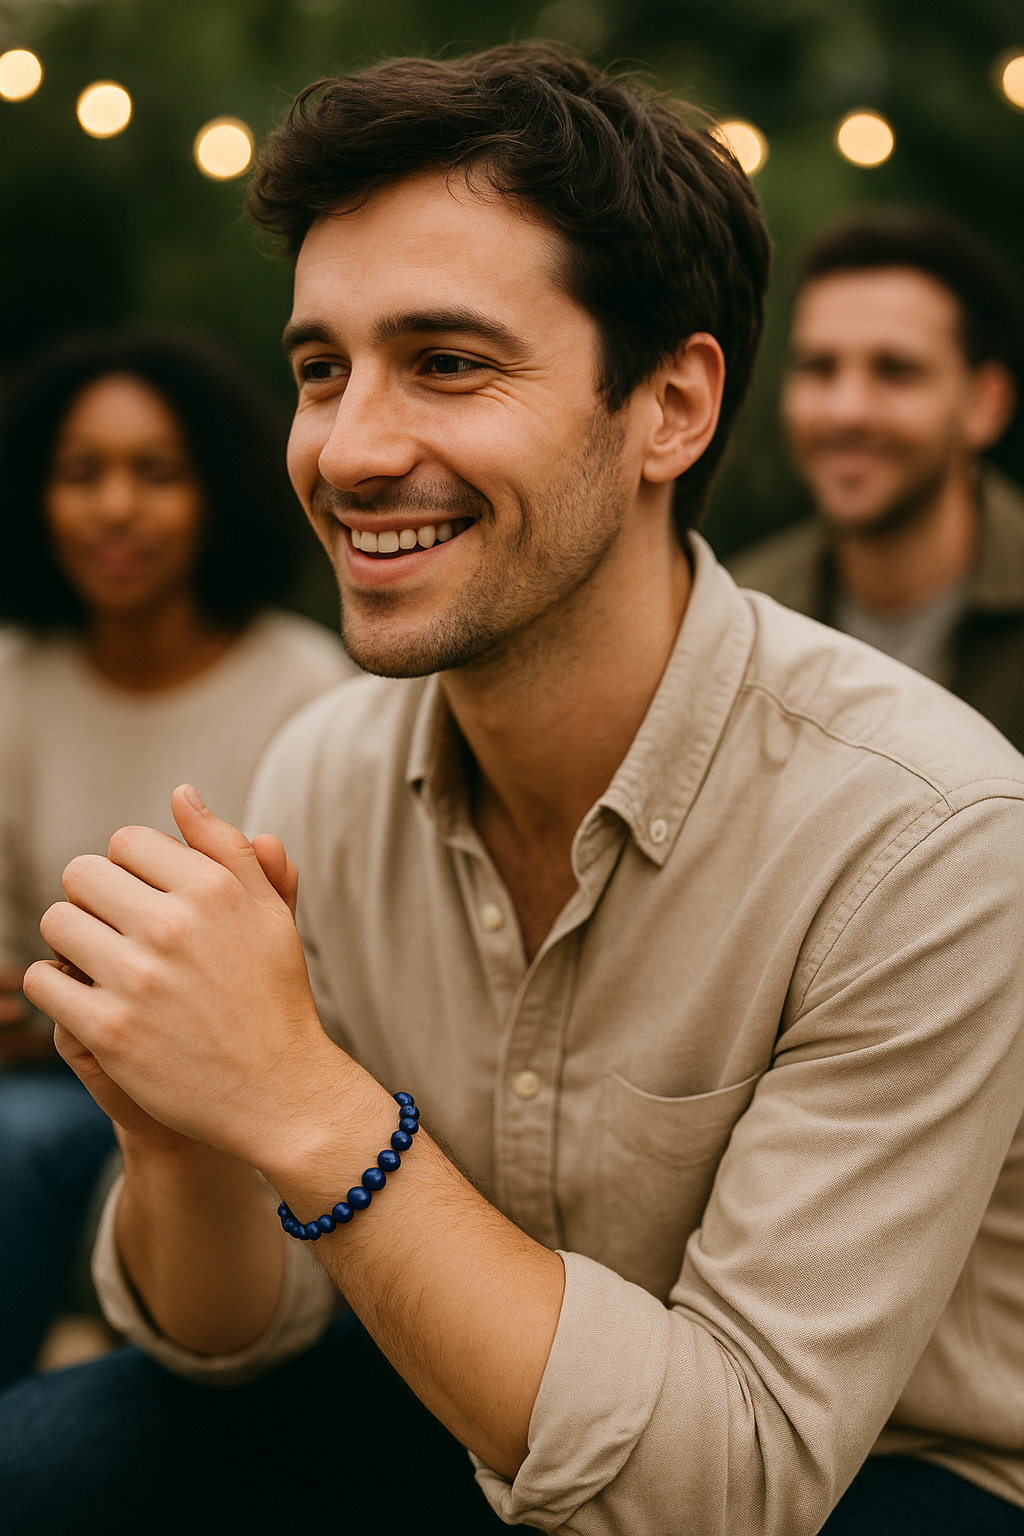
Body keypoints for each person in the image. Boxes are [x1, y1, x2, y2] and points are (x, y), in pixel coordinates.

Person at [2, 46, 1024, 1536]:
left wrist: (305, 1100)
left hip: (865, 1478)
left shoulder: (935, 834)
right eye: (320, 370)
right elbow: (231, 1339)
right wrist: (183, 1127)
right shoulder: (329, 768)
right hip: (455, 1402)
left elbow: (724, 1486)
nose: (350, 449)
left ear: (670, 405)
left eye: (449, 363)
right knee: (55, 1466)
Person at [0, 330, 355, 1391]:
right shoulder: (14, 681)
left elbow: (330, 986)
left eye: (155, 473)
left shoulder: (315, 695)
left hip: (234, 1092)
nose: (115, 507)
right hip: (51, 1068)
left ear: (218, 495)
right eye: (81, 473)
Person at [728, 209, 1024, 748]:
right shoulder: (738, 617)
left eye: (895, 370)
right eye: (819, 367)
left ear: (986, 404)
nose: (847, 411)